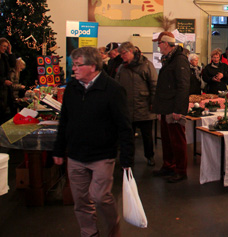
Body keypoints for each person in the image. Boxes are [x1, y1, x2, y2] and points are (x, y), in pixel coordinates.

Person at [53, 46, 134, 237]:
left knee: (100, 197)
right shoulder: (72, 88)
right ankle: (89, 233)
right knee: (80, 200)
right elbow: (64, 120)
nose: (74, 69)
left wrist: (127, 159)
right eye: (74, 65)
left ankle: (113, 228)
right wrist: (58, 150)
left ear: (93, 66)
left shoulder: (113, 90)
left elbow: (124, 126)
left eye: (78, 65)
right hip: (75, 154)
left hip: (102, 155)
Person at [151, 31, 190, 183]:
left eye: (159, 43)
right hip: (165, 107)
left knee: (177, 141)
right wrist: (159, 110)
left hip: (173, 108)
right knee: (167, 140)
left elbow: (183, 86)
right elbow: (164, 87)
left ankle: (181, 170)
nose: (158, 46)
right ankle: (169, 165)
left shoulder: (179, 60)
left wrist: (179, 110)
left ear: (166, 44)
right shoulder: (168, 59)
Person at [116, 42, 157, 167]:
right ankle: (128, 160)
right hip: (127, 108)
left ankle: (150, 156)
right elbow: (116, 86)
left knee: (147, 135)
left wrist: (153, 103)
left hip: (144, 107)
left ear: (131, 51)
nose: (121, 56)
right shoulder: (122, 68)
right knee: (128, 137)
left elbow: (154, 85)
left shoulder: (147, 65)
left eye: (123, 53)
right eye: (120, 54)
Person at [0, 38, 16, 123]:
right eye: (3, 46)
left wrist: (10, 52)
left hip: (5, 90)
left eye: (6, 46)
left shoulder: (4, 57)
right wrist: (3, 81)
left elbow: (13, 64)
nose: (5, 48)